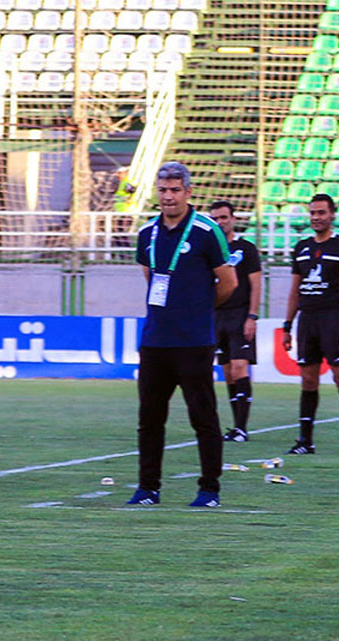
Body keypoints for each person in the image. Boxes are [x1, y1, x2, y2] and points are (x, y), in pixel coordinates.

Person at [129, 162, 237, 508]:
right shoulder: (147, 232)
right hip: (155, 341)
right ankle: (148, 488)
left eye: (175, 190)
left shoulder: (206, 231)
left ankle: (209, 490)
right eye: (163, 190)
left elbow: (228, 283)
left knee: (203, 418)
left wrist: (200, 307)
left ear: (188, 192)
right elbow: (151, 276)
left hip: (194, 342)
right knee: (149, 419)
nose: (169, 197)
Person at [282, 193, 339, 457]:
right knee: (308, 379)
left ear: (332, 215)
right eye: (313, 213)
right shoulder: (301, 248)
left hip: (333, 318)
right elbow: (294, 290)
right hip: (307, 320)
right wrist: (287, 326)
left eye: (321, 213)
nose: (316, 217)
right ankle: (305, 441)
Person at [207, 200, 261, 443]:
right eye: (215, 219)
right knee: (228, 372)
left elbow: (256, 284)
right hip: (217, 316)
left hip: (240, 314)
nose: (220, 222)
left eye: (224, 217)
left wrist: (252, 316)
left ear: (233, 219)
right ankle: (236, 427)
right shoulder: (209, 249)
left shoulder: (245, 249)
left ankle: (242, 428)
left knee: (240, 368)